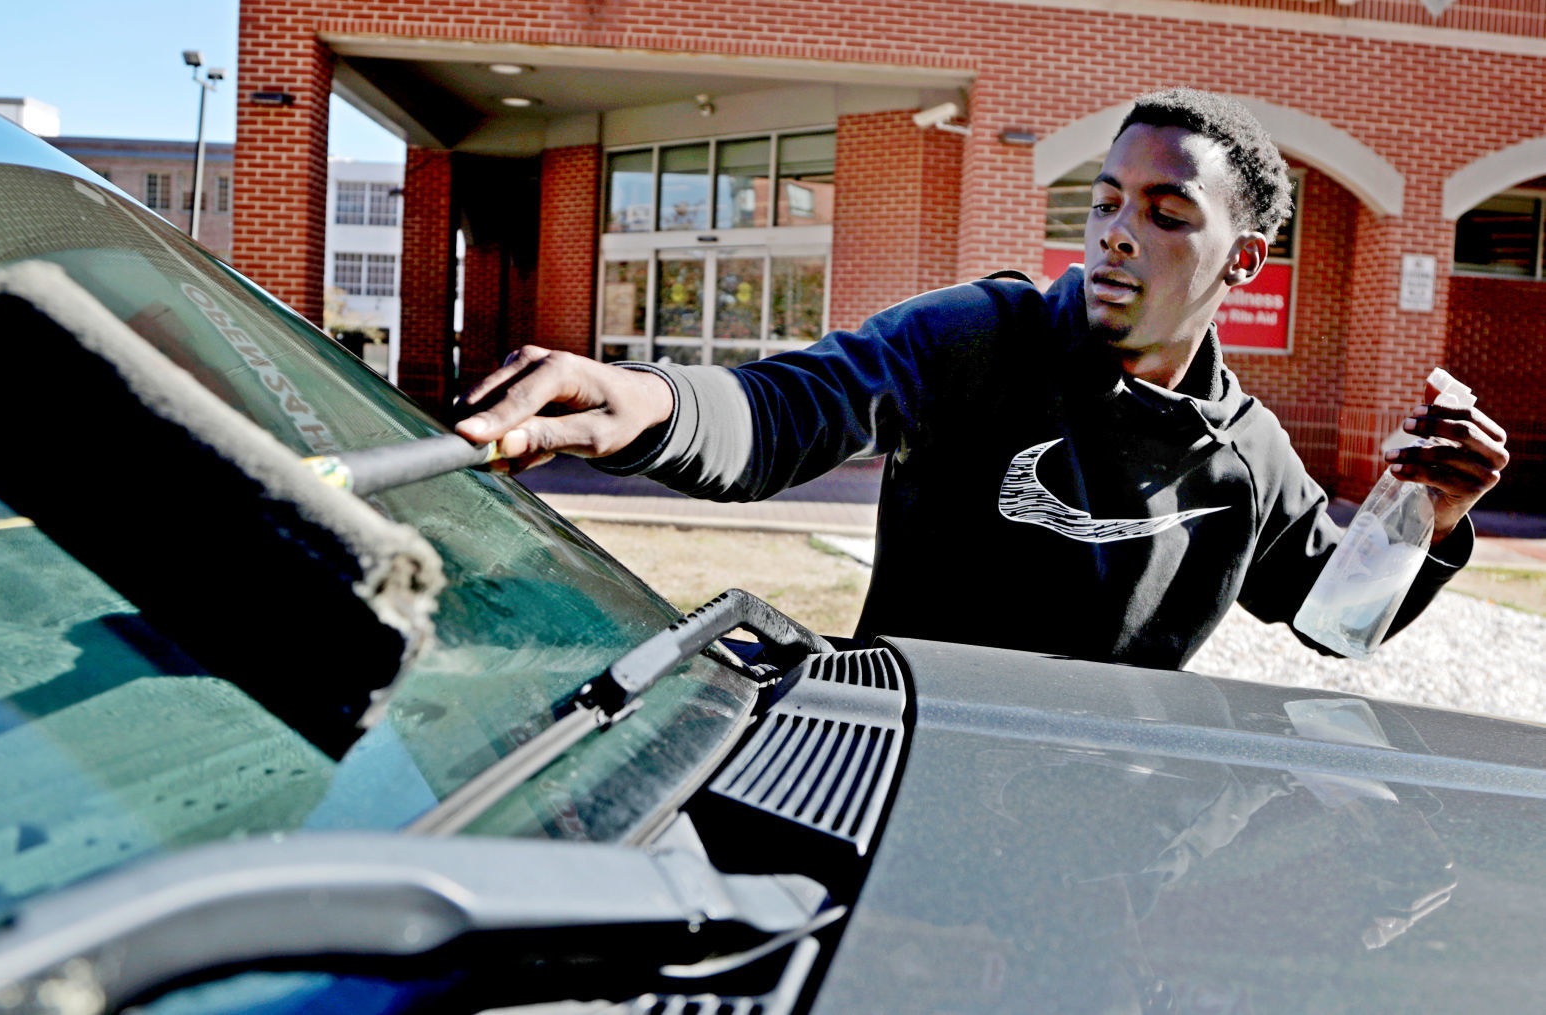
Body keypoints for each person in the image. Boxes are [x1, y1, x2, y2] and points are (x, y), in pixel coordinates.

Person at [454, 89, 1509, 667]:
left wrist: (1430, 510)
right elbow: (789, 408)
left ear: (1243, 260)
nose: (1114, 235)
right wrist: (651, 401)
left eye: (1165, 215)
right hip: (897, 775)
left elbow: (1334, 616)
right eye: (1103, 201)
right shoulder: (978, 337)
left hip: (1103, 836)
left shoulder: (1246, 454)